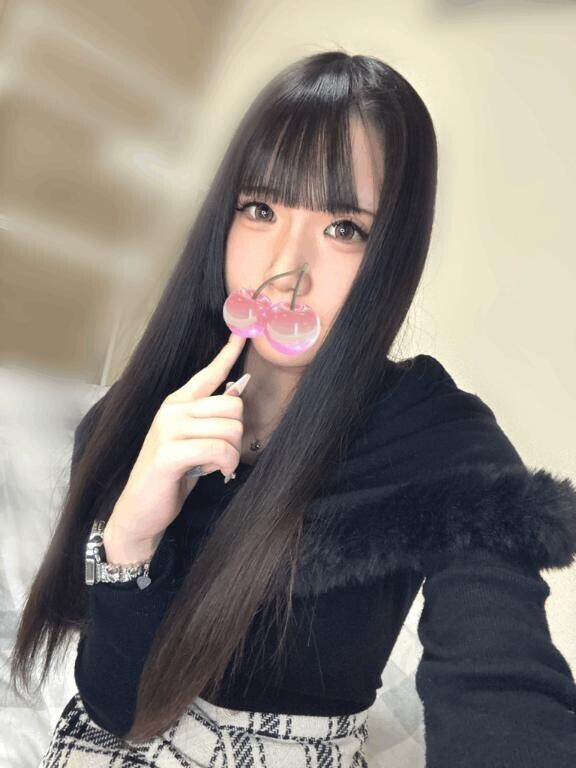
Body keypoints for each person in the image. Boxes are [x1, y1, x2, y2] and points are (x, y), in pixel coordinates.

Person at [11, 50, 576, 767]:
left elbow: (503, 684)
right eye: (260, 209)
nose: (286, 271)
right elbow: (115, 707)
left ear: (393, 252)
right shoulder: (134, 420)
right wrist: (131, 533)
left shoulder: (440, 440)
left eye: (344, 228)